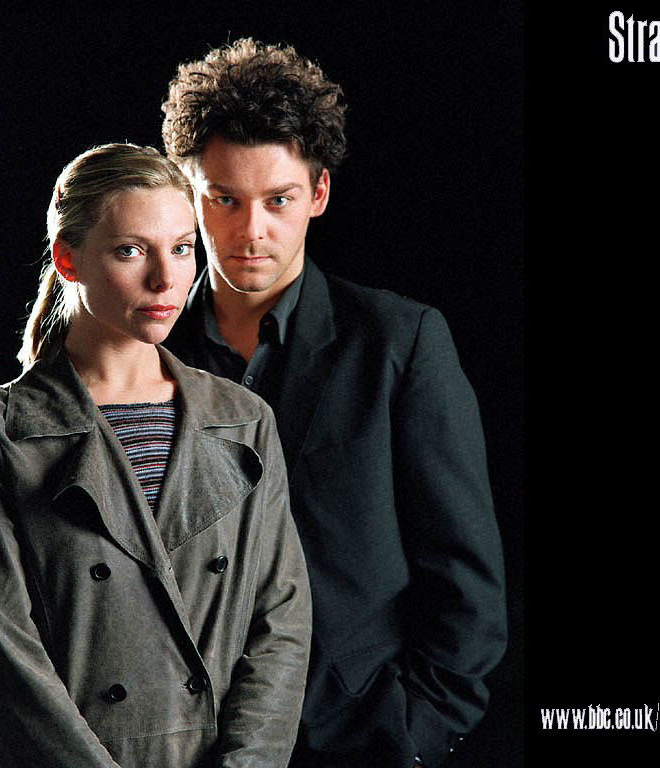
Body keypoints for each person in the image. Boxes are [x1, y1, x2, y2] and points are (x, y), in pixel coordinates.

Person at [160, 40, 507, 768]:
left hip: (356, 740)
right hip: (185, 742)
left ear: (318, 194)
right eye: (224, 199)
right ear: (186, 194)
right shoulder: (145, 354)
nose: (251, 230)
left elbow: (467, 577)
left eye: (278, 199)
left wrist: (417, 731)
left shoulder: (400, 342)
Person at [0, 142, 312, 768]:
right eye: (130, 251)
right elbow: (2, 659)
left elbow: (281, 622)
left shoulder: (244, 420)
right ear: (68, 259)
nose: (166, 279)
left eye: (182, 248)